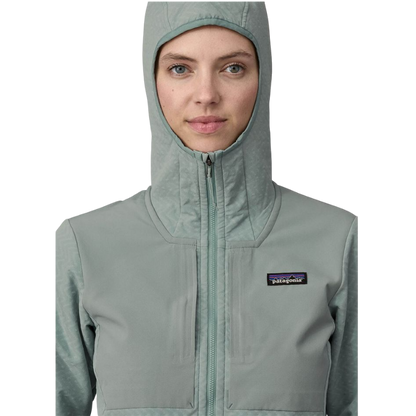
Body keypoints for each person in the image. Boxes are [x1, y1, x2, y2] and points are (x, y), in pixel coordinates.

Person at [52, 1, 360, 415]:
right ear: (151, 79)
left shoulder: (333, 239)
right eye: (180, 68)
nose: (206, 95)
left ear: (264, 76)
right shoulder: (83, 244)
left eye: (233, 68)